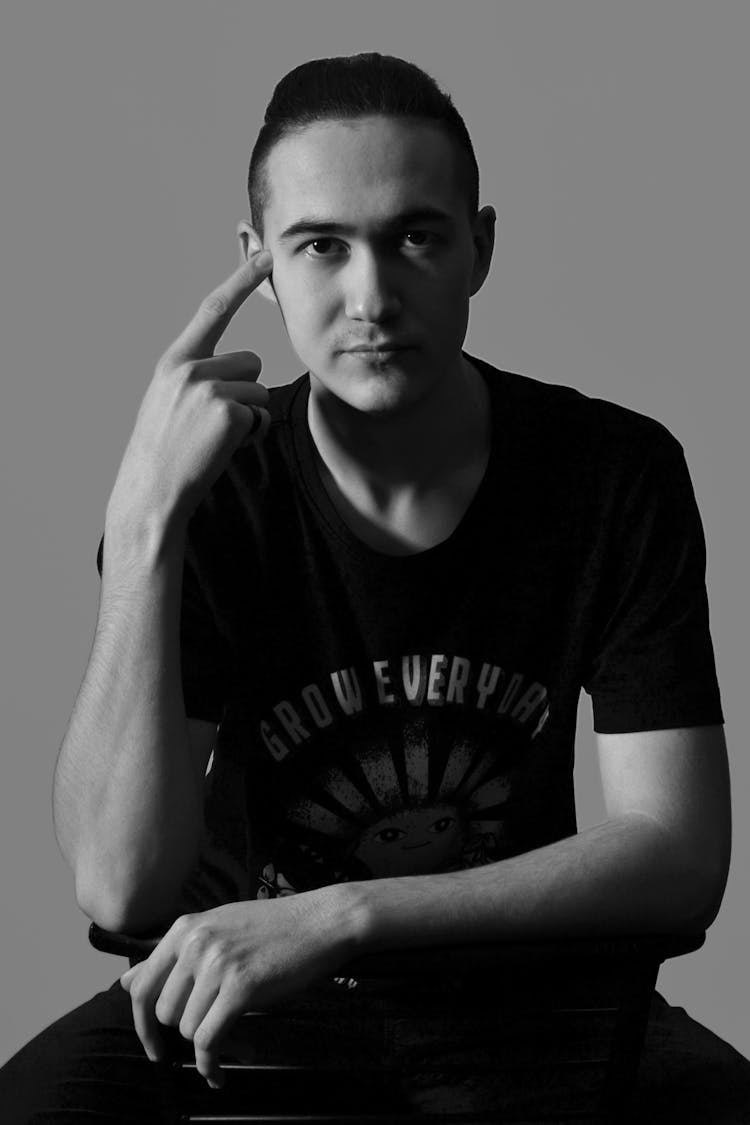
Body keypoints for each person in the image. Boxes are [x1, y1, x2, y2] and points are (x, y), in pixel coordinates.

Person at [1, 51, 748, 1123]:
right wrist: (143, 518)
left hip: (530, 1003)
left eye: (415, 236)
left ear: (479, 248)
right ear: (259, 263)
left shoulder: (612, 473)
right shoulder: (213, 492)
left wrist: (346, 914)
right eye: (321, 246)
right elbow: (120, 887)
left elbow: (678, 855)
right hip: (229, 1014)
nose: (372, 296)